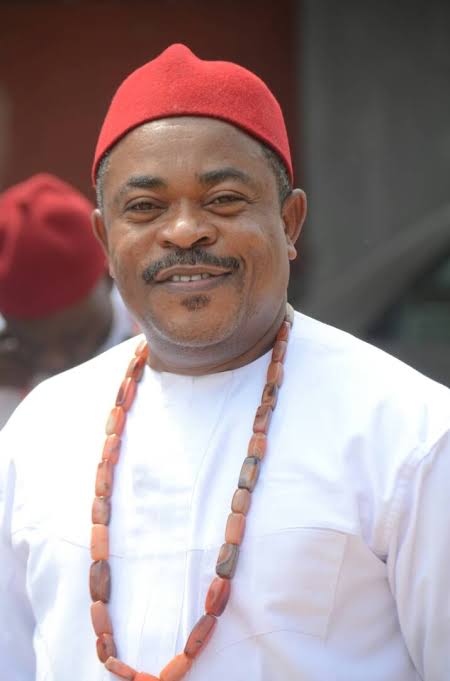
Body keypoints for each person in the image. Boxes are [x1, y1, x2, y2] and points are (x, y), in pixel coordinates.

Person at [0, 44, 449, 681]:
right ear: (105, 240)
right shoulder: (41, 428)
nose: (185, 230)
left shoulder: (412, 433)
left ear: (290, 222)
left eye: (224, 199)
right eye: (145, 207)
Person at [0, 173, 137, 427]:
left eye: (75, 336)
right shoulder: (6, 377)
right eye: (33, 346)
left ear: (109, 274)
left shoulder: (163, 330)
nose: (57, 360)